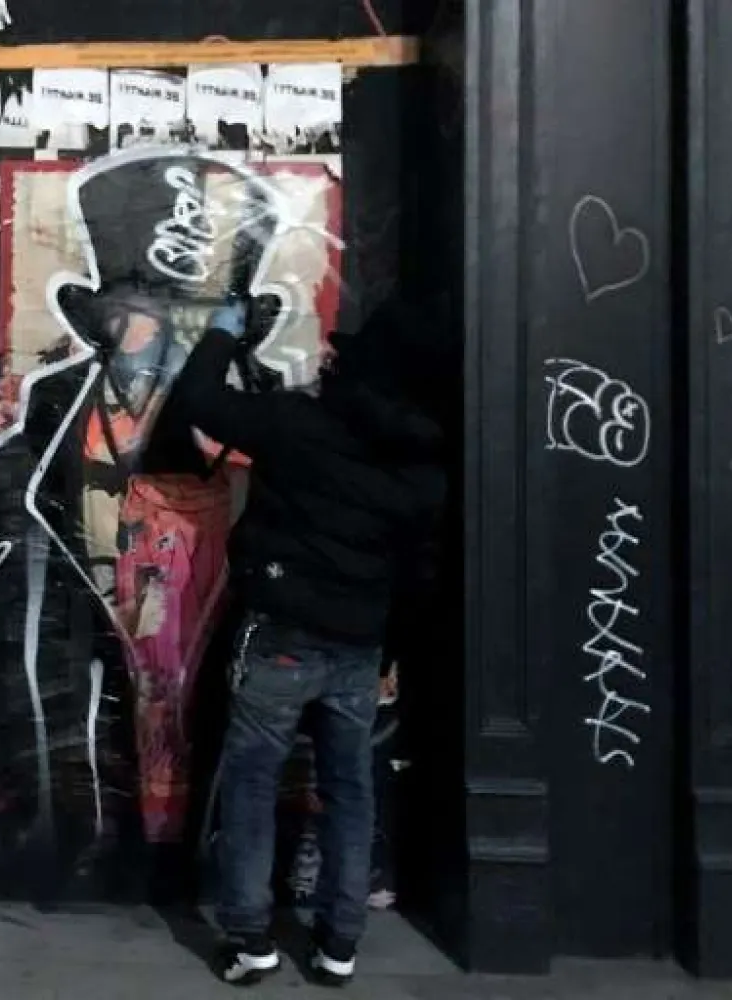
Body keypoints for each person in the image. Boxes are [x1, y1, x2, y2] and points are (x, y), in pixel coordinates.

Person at [173, 296, 447, 986]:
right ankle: (339, 944)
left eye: (340, 356)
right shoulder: (422, 468)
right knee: (351, 789)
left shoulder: (298, 426)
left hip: (281, 637)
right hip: (358, 646)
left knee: (252, 783)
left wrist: (224, 334)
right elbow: (420, 573)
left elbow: (201, 400)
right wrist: (391, 652)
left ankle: (249, 939)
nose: (327, 356)